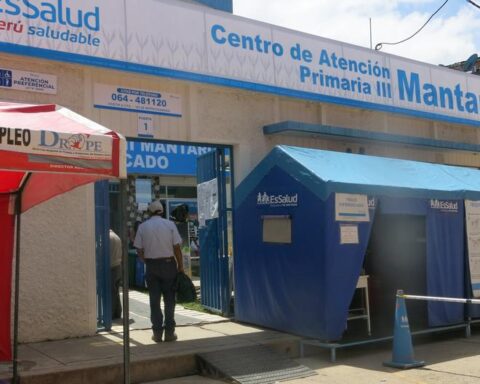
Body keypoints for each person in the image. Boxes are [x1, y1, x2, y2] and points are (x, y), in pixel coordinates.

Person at [134, 200, 184, 342]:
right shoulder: (170, 225)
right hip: (169, 265)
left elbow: (138, 249)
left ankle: (157, 333)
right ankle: (169, 332)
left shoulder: (143, 227)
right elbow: (177, 248)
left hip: (152, 266)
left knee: (154, 301)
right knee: (169, 301)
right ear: (162, 211)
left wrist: (146, 260)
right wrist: (180, 266)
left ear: (150, 212)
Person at [109, 229, 123, 320]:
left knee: (111, 292)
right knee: (116, 291)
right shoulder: (116, 236)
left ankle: (112, 313)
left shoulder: (107, 238)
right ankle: (118, 312)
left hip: (111, 267)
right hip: (118, 266)